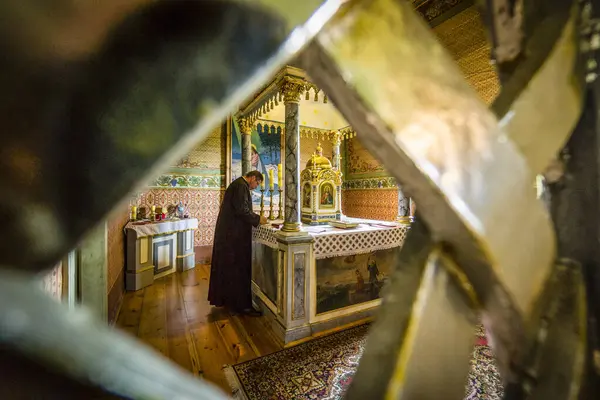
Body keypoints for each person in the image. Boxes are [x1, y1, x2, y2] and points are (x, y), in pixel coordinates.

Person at [208, 171, 268, 316]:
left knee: (230, 269)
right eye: (257, 183)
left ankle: (230, 302)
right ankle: (243, 307)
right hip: (234, 236)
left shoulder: (237, 185)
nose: (255, 187)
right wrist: (258, 219)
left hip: (229, 234)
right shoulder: (241, 186)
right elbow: (242, 210)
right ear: (253, 178)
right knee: (239, 269)